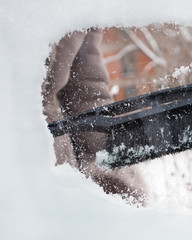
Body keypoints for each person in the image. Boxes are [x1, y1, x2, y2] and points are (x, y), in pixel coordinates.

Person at [42, 29, 147, 205]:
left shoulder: (73, 11)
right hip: (26, 161)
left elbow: (85, 88)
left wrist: (107, 160)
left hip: (52, 171)